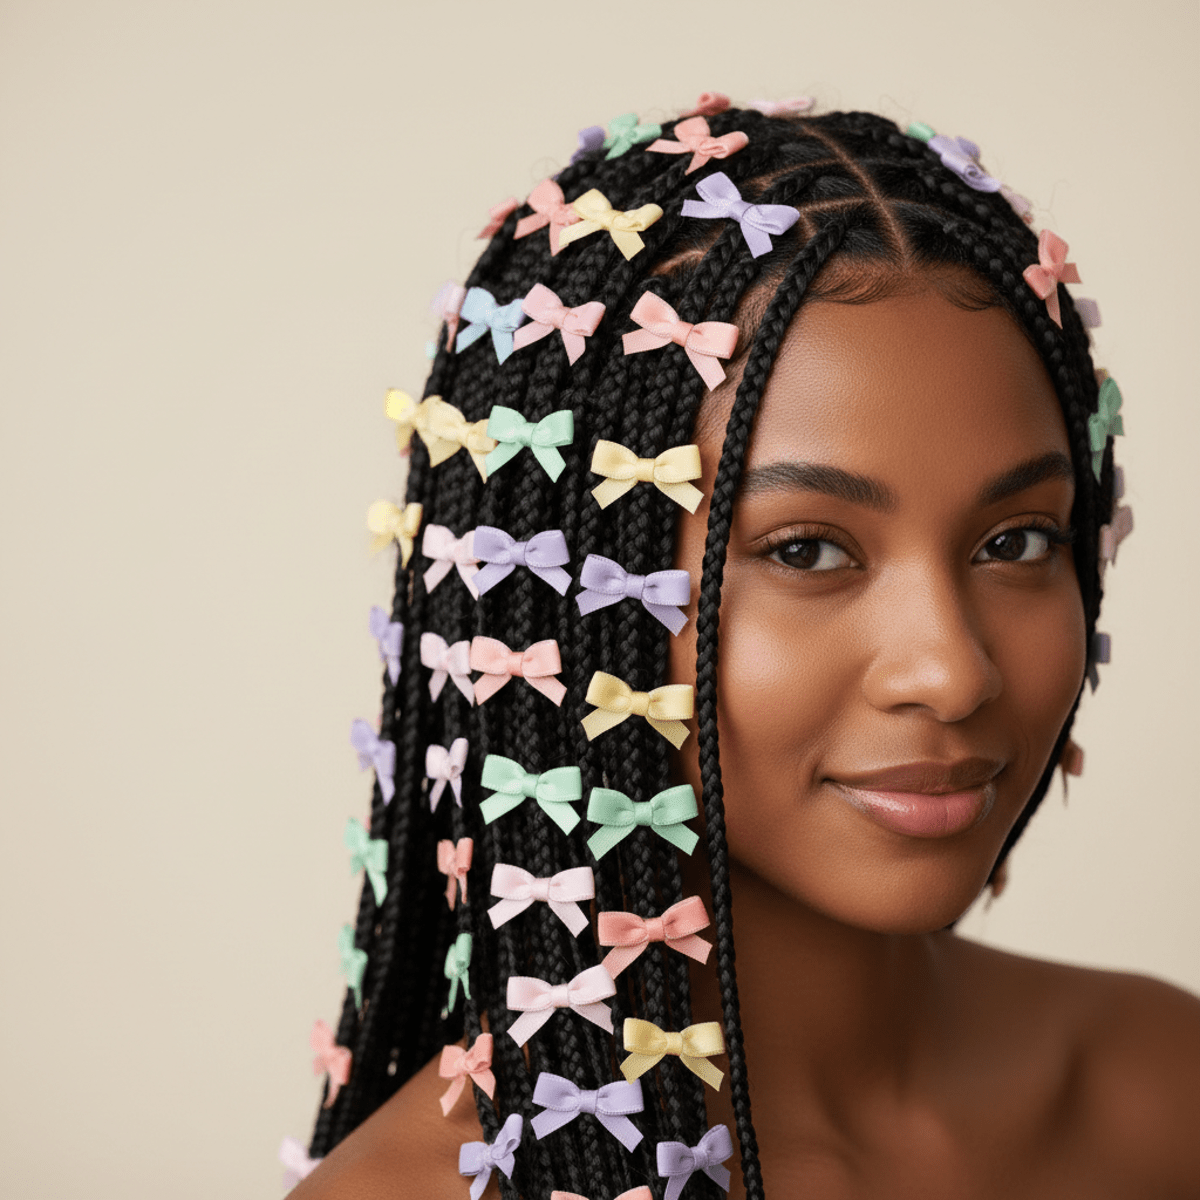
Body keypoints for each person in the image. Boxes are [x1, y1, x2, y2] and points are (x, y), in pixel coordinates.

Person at [285, 97, 1200, 1199]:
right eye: (809, 552)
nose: (952, 672)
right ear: (564, 597)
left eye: (1016, 541)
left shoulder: (1160, 1087)